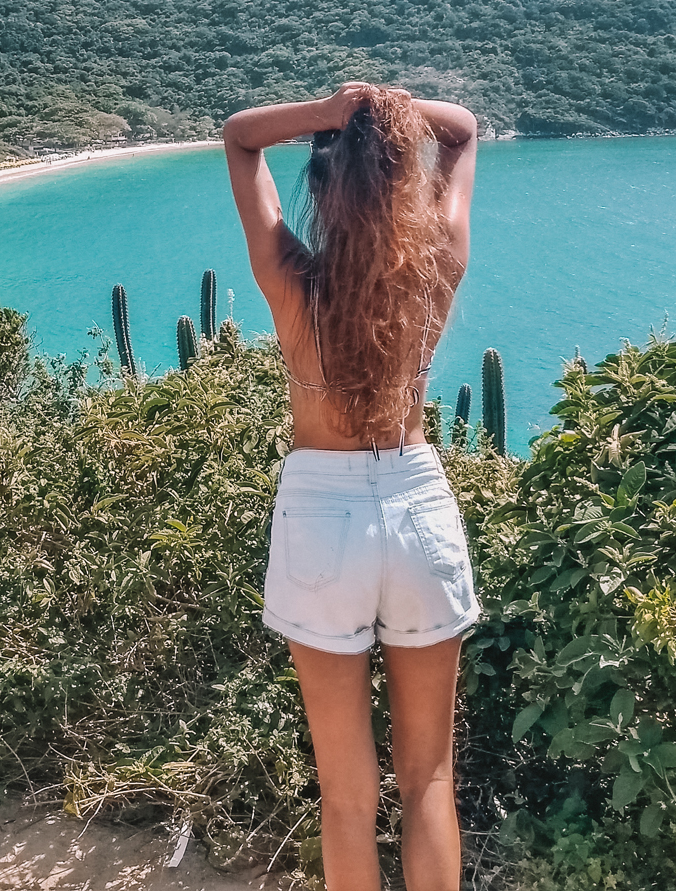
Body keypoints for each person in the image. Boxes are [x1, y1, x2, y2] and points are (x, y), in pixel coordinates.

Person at [223, 82, 479, 891]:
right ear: (403, 182)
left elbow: (239, 138)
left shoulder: (293, 285)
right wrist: (392, 113)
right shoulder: (435, 269)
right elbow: (465, 134)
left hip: (320, 515)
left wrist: (338, 109)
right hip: (416, 504)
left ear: (323, 194)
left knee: (345, 796)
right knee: (429, 778)